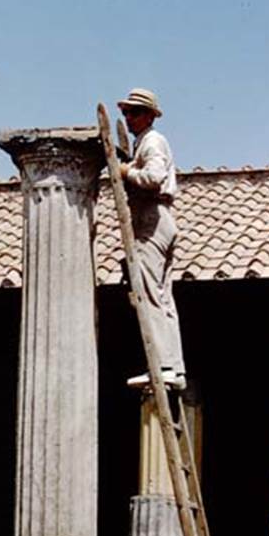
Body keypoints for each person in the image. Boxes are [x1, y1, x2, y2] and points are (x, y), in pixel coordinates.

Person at [117, 88, 186, 391]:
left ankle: (163, 366)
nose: (128, 118)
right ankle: (175, 368)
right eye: (126, 112)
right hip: (160, 219)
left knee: (148, 293)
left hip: (152, 218)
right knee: (163, 297)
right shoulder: (143, 143)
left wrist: (125, 172)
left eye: (133, 112)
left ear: (148, 115)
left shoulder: (153, 141)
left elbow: (153, 177)